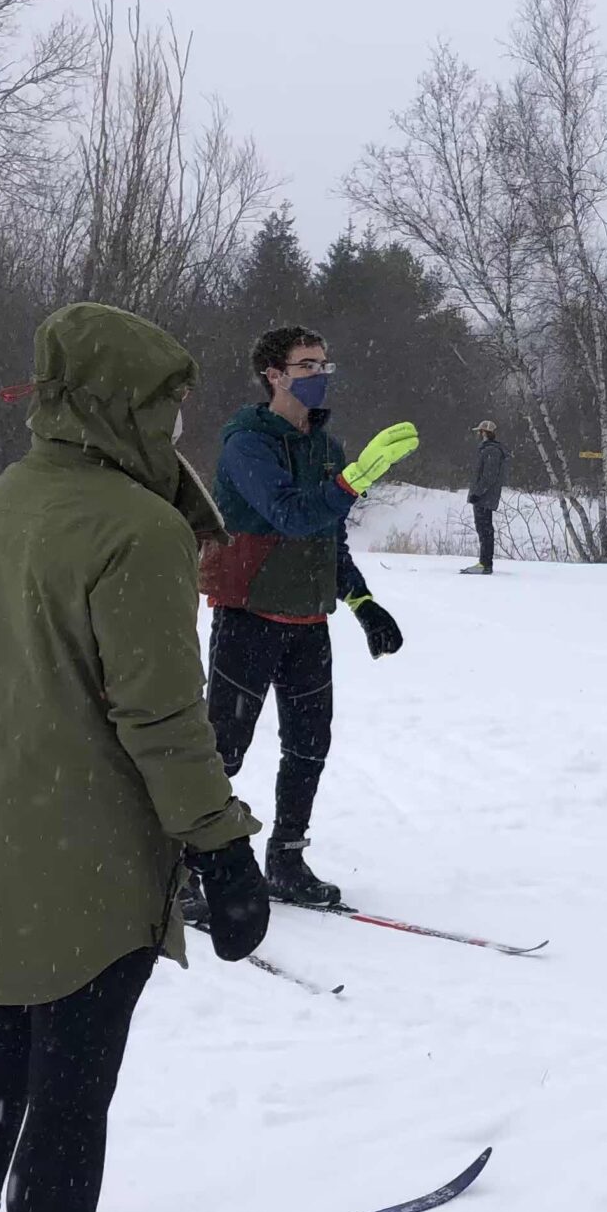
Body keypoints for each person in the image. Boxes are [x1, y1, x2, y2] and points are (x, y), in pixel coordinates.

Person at [0, 302, 273, 1212]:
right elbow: (162, 717)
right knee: (73, 1084)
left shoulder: (5, 506)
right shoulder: (137, 529)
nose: (174, 426)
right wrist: (222, 847)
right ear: (122, 401)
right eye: (165, 403)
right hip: (81, 854)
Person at [197, 325, 419, 909]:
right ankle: (183, 867)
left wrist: (364, 603)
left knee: (308, 745)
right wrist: (354, 482)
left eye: (325, 361)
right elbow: (291, 515)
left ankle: (287, 862)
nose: (321, 373)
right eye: (306, 364)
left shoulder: (327, 447)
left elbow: (327, 538)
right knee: (222, 750)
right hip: (248, 614)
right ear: (273, 374)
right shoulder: (247, 443)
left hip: (307, 621)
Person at [463, 418, 507, 574]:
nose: (478, 435)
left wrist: (477, 493)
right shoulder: (487, 449)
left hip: (484, 498)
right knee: (483, 529)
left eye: (480, 432)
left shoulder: (491, 451)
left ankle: (485, 564)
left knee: (485, 529)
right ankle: (484, 563)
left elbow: (488, 476)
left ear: (484, 433)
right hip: (484, 497)